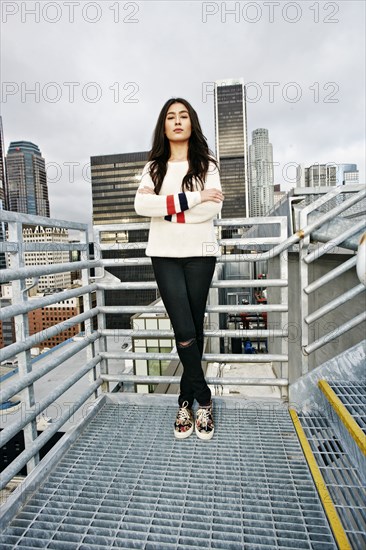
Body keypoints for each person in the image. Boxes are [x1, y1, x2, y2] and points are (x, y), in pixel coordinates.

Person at [134, 97, 224, 440]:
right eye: (170, 116)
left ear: (191, 123)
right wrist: (194, 197)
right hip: (164, 254)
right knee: (183, 327)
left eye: (183, 116)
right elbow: (142, 205)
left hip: (201, 254)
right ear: (163, 125)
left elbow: (211, 210)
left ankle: (185, 402)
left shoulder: (206, 163)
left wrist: (167, 210)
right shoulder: (154, 167)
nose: (177, 121)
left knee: (195, 328)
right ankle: (204, 398)